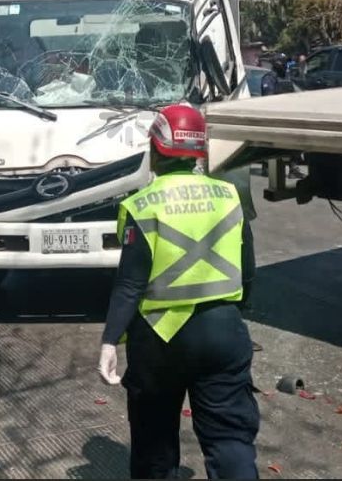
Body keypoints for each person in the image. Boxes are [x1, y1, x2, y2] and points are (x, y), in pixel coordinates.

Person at [98, 104, 259, 480]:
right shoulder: (229, 196)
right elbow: (248, 270)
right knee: (229, 440)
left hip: (161, 338)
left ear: (156, 149)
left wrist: (110, 341)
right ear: (198, 151)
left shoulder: (142, 204)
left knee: (155, 443)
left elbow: (130, 284)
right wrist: (235, 314)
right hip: (222, 330)